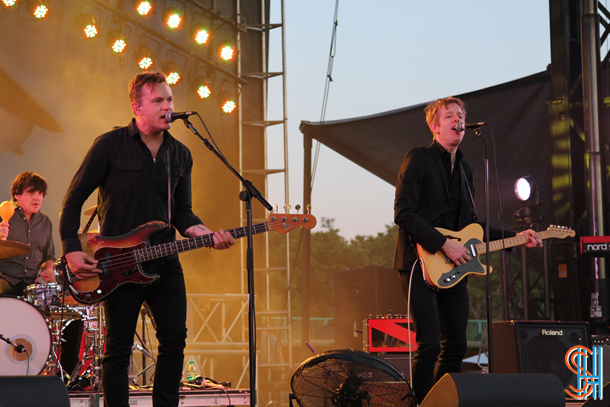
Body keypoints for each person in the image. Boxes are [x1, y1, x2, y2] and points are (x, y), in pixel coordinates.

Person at [59, 72, 236, 407]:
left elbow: (182, 212)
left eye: (170, 100)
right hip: (118, 265)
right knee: (118, 349)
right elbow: (74, 198)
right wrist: (70, 249)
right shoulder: (109, 145)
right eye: (158, 100)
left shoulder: (181, 154)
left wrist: (204, 233)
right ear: (137, 107)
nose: (168, 106)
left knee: (174, 342)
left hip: (165, 261)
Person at [392, 97, 542, 403]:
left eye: (460, 115)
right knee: (429, 345)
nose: (457, 120)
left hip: (456, 267)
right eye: (449, 116)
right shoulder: (417, 158)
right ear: (435, 127)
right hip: (420, 264)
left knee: (457, 347)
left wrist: (515, 237)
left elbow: (471, 227)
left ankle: (439, 402)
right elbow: (403, 213)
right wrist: (442, 243)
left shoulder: (465, 168)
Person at [0, 171, 55, 295]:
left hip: (31, 286)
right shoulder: (2, 215)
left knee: (51, 301)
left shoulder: (45, 222)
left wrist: (47, 269)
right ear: (16, 194)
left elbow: (49, 256)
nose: (37, 198)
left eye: (40, 193)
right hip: (4, 281)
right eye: (31, 193)